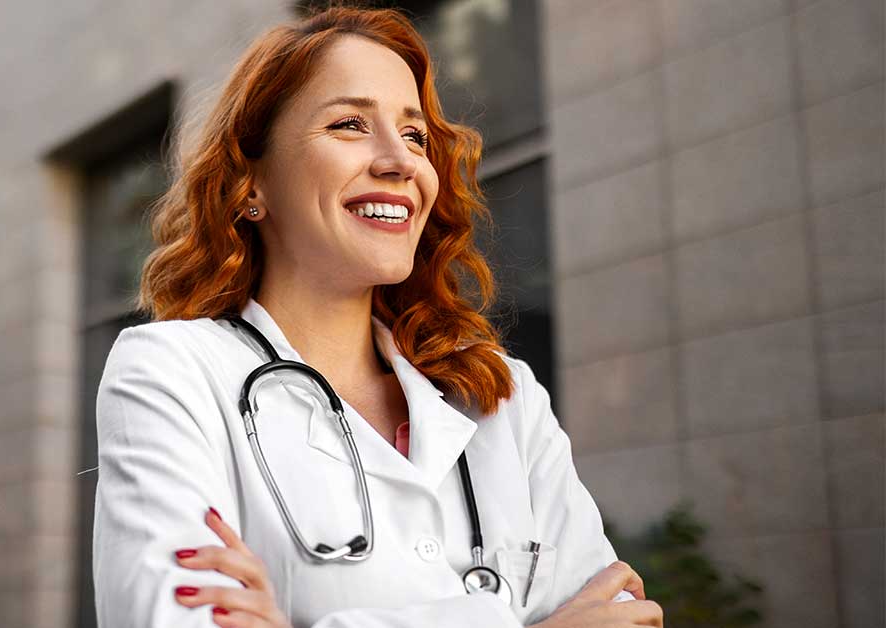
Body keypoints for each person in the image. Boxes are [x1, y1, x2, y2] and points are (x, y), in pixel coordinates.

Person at [92, 6, 663, 628]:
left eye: (415, 136)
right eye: (348, 124)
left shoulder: (504, 398)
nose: (401, 160)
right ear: (249, 184)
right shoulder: (173, 371)